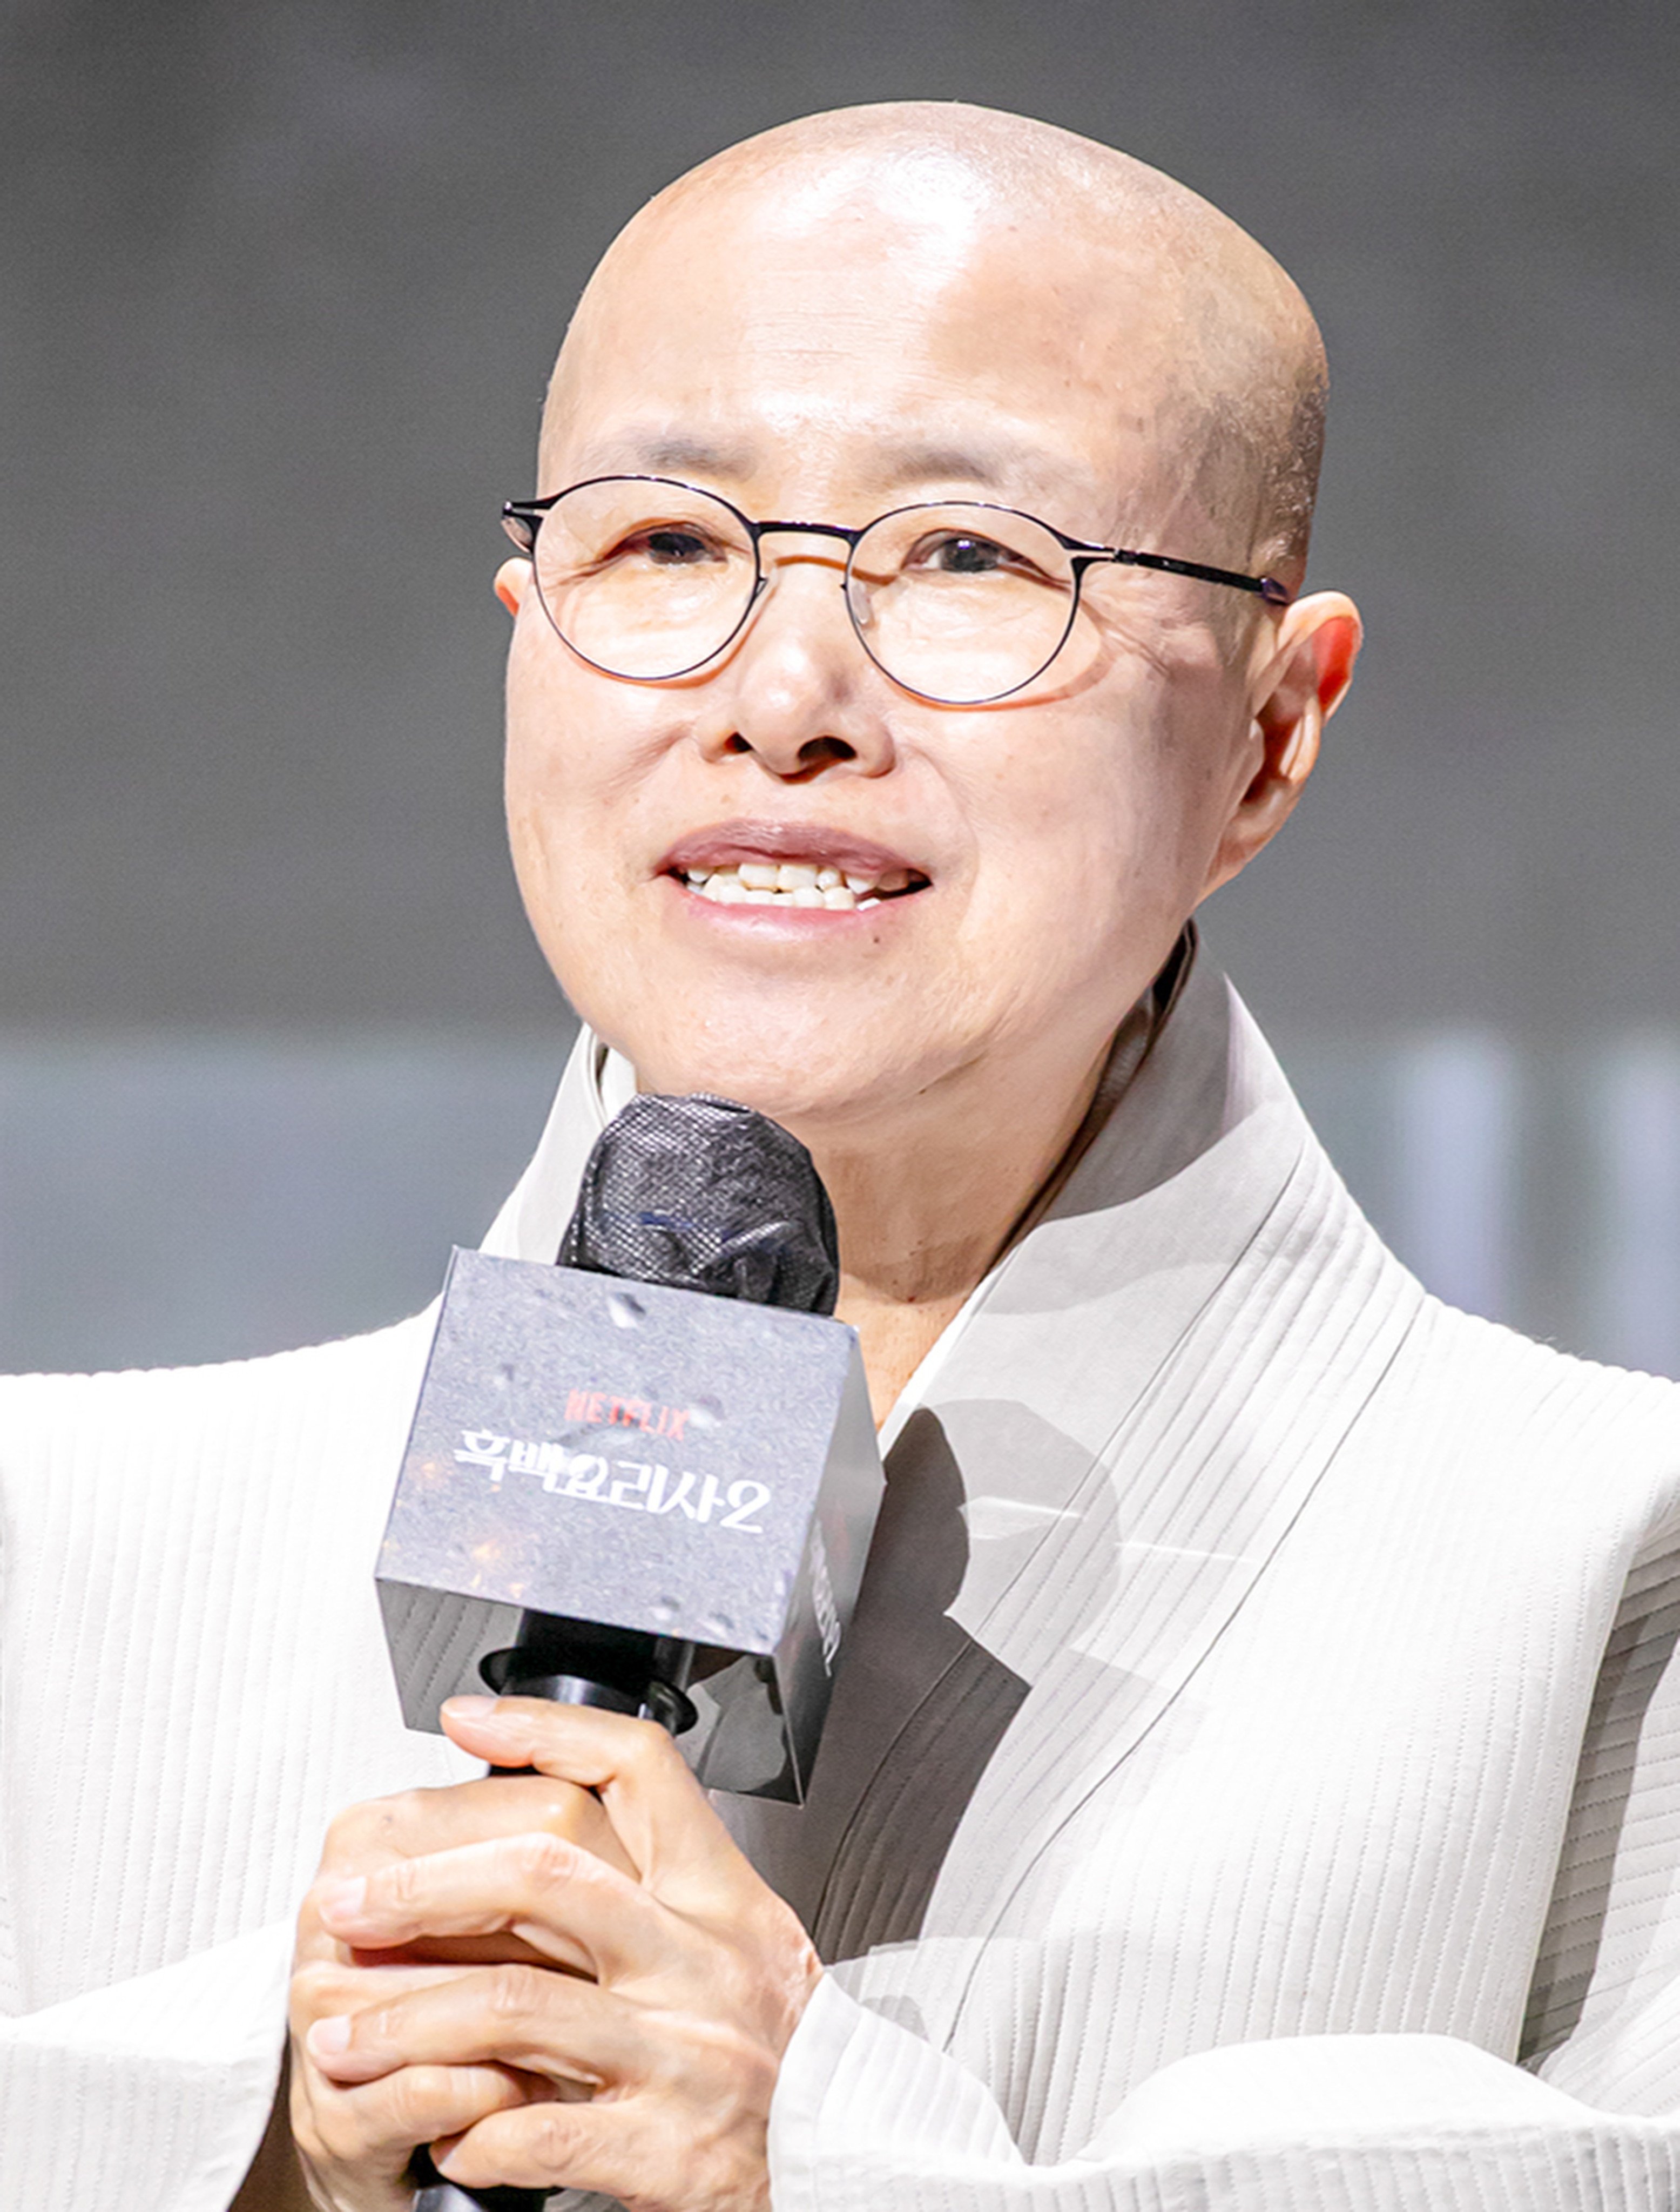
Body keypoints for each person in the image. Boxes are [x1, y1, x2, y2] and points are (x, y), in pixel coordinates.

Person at [4, 100, 1679, 2212]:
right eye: (667, 543)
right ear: (523, 625)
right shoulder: (52, 1552)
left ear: (1268, 726)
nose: (784, 692)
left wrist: (823, 2155)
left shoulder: (1613, 1565)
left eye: (970, 557)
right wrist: (274, 2133)